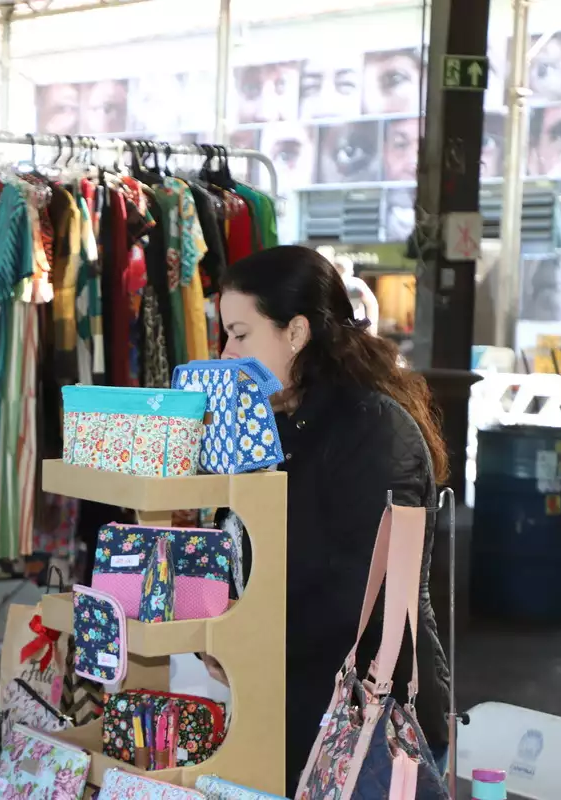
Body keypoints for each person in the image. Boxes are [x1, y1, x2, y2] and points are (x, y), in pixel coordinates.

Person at [206, 245, 450, 796]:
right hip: (293, 705)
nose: (225, 355)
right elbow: (235, 544)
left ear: (295, 332)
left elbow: (360, 596)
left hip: (370, 722)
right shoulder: (270, 427)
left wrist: (244, 637)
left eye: (241, 334)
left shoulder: (376, 431)